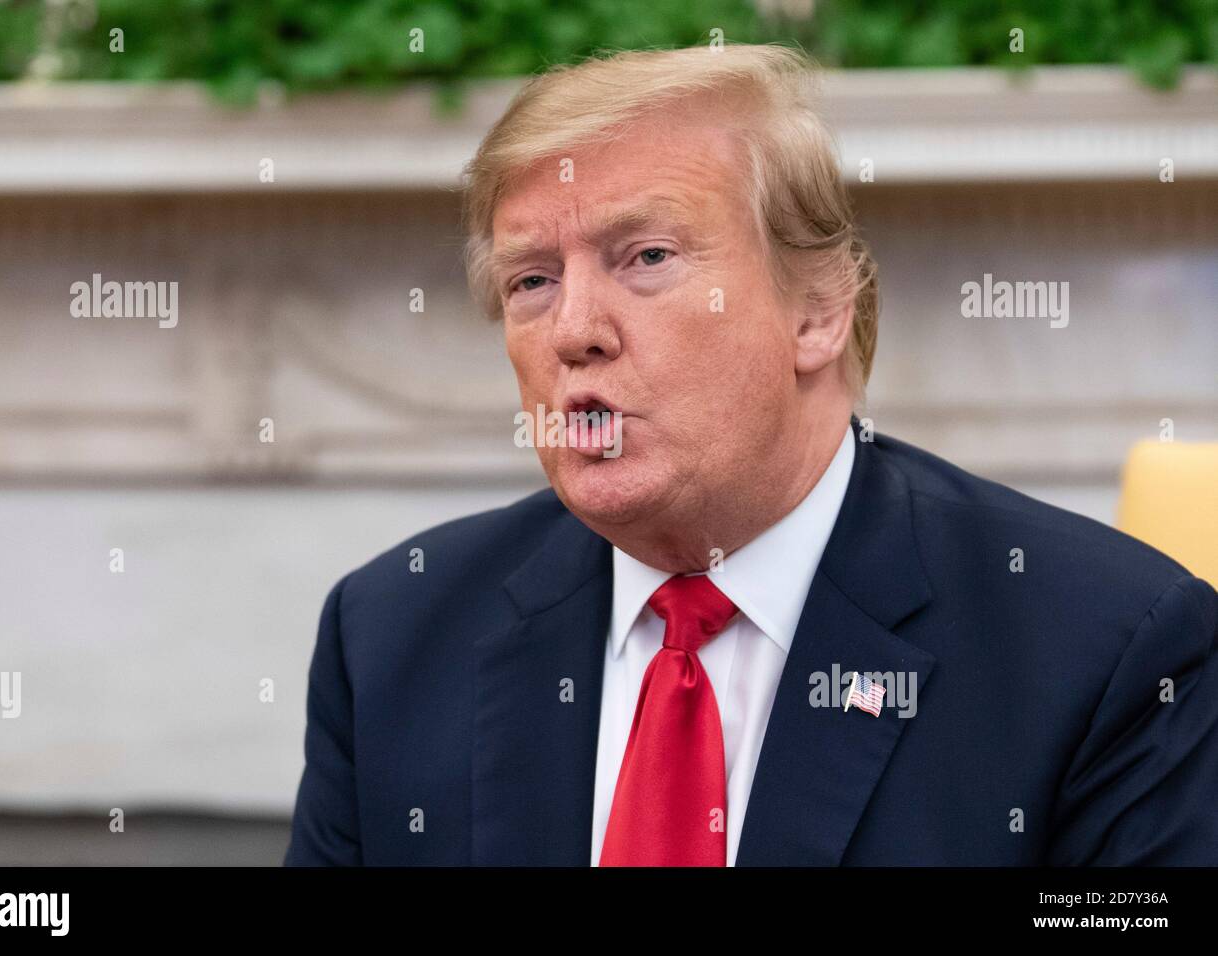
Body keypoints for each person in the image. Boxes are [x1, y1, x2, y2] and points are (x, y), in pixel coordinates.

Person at [284, 44, 1218, 866]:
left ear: (817, 309)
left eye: (645, 257)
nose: (573, 332)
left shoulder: (1106, 650)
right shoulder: (393, 634)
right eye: (532, 280)